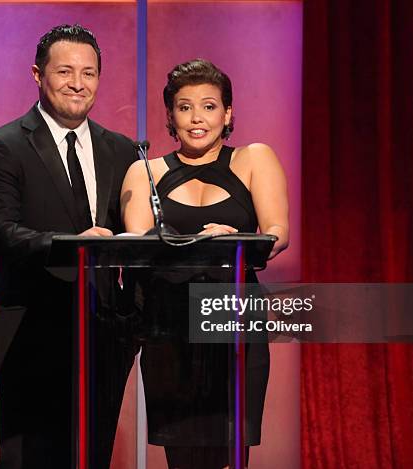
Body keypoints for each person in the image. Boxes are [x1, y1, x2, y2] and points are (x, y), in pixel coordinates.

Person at [0, 24, 137, 469]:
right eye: (65, 71)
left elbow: (136, 238)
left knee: (92, 457)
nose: (78, 83)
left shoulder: (123, 151)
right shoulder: (0, 147)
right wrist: (72, 246)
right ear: (37, 74)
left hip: (104, 334)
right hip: (31, 329)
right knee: (28, 459)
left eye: (89, 73)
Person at [120, 59, 289, 468]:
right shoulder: (146, 170)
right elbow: (139, 244)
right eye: (184, 107)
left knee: (231, 451)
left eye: (209, 106)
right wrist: (192, 243)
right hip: (169, 323)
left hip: (233, 318)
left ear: (228, 113)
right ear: (170, 117)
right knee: (183, 456)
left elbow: (278, 232)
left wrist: (236, 240)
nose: (197, 118)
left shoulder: (253, 158)